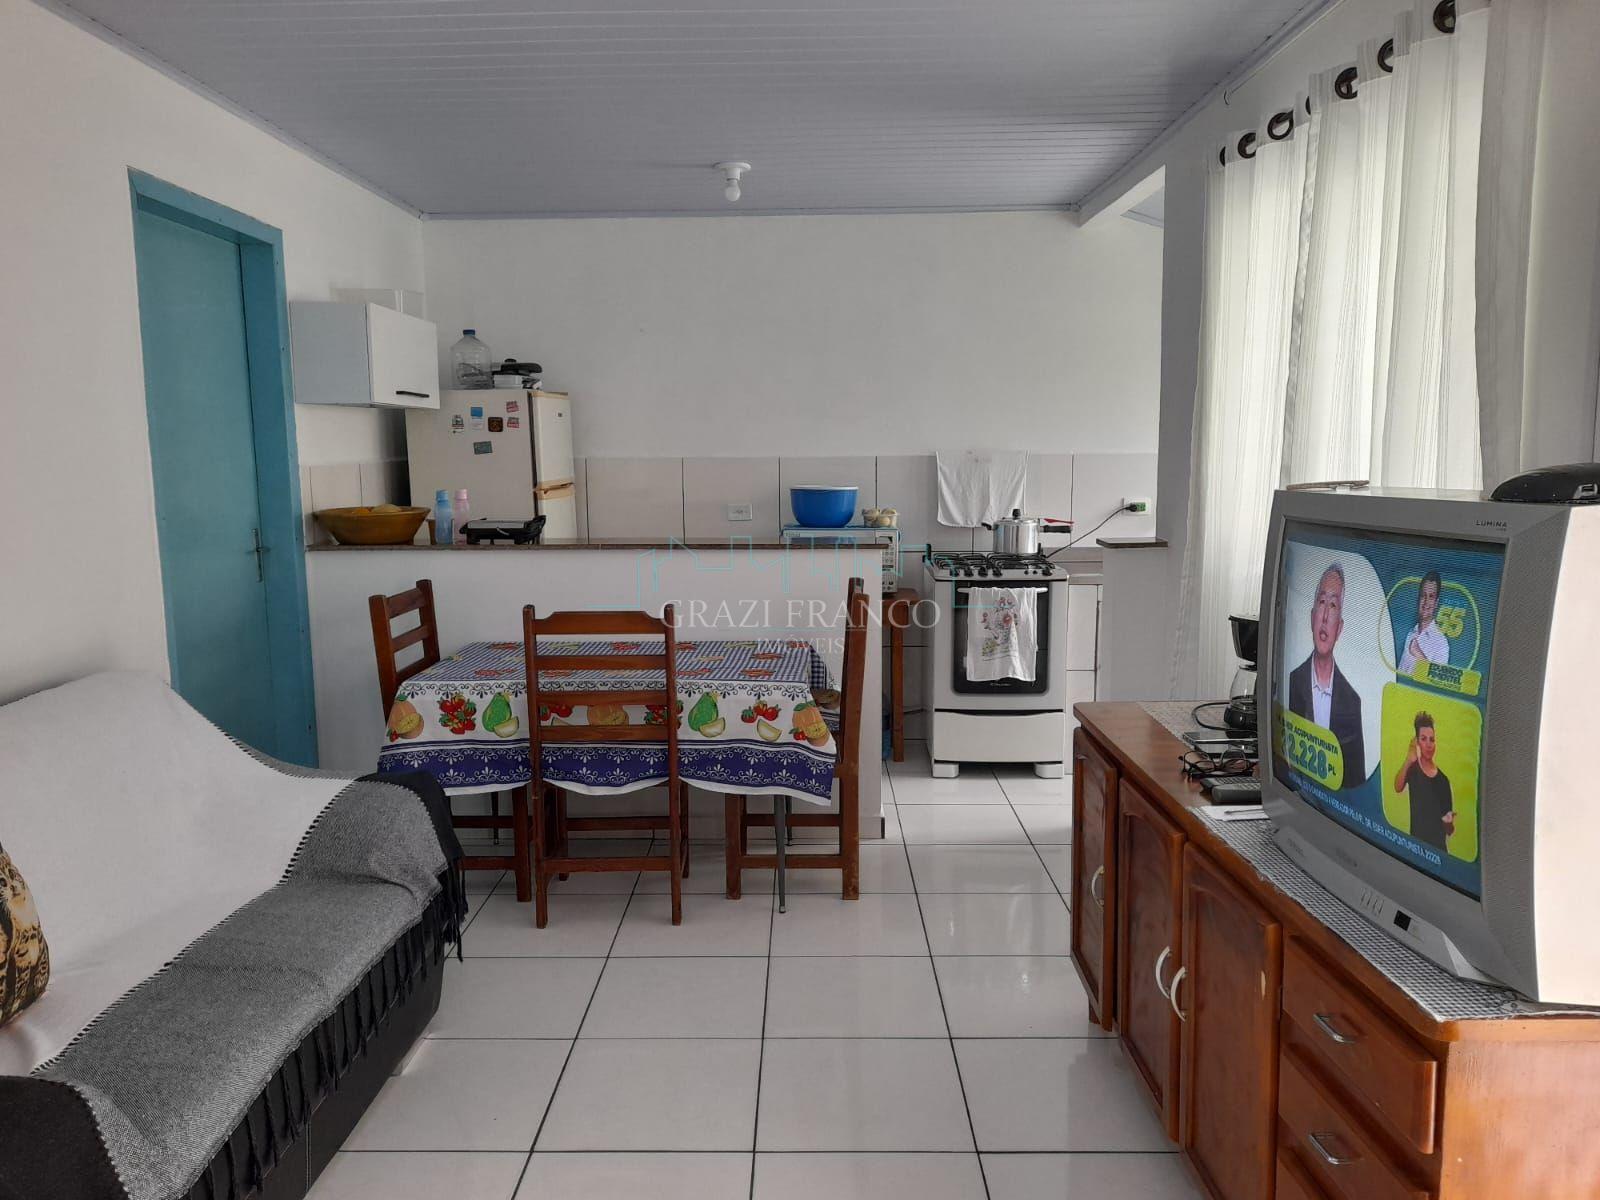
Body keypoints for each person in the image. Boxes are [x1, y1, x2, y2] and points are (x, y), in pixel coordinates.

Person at [1288, 563, 1366, 788]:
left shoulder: (1352, 702)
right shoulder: (1292, 681)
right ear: (1312, 617)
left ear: (1339, 628)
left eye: (1333, 605)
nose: (1325, 617)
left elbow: (1355, 786)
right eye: (1322, 602)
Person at [1393, 712, 1455, 852]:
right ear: (1417, 742)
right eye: (1423, 739)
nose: (1428, 744)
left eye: (1432, 740)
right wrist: (1408, 760)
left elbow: (1449, 831)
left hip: (1437, 852)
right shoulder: (1413, 769)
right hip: (1415, 848)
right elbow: (1397, 787)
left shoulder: (1443, 781)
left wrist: (1449, 822)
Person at [1398, 570, 1449, 676]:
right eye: (1423, 595)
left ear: (1436, 603)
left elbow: (1437, 682)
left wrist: (1418, 654)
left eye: (1431, 596)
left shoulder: (1441, 643)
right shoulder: (1410, 633)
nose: (1426, 602)